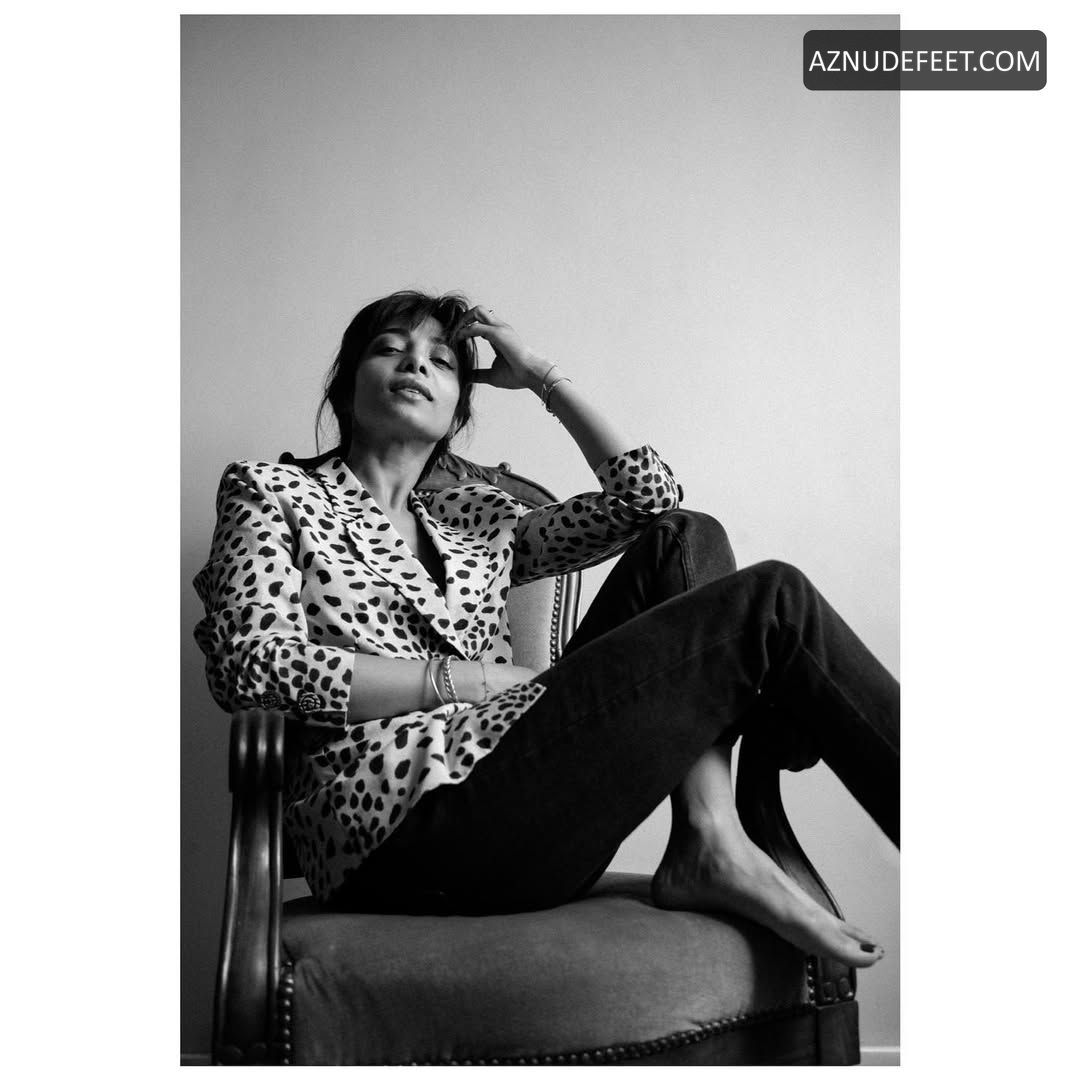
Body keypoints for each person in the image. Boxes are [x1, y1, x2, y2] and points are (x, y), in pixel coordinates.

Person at [194, 289, 899, 969]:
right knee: (772, 599)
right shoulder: (272, 491)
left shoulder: (478, 519)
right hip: (394, 827)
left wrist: (539, 377)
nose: (415, 364)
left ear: (457, 408)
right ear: (347, 386)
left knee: (687, 537)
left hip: (528, 805)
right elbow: (250, 666)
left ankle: (708, 833)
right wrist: (466, 680)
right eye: (390, 349)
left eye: (440, 360)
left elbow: (648, 500)